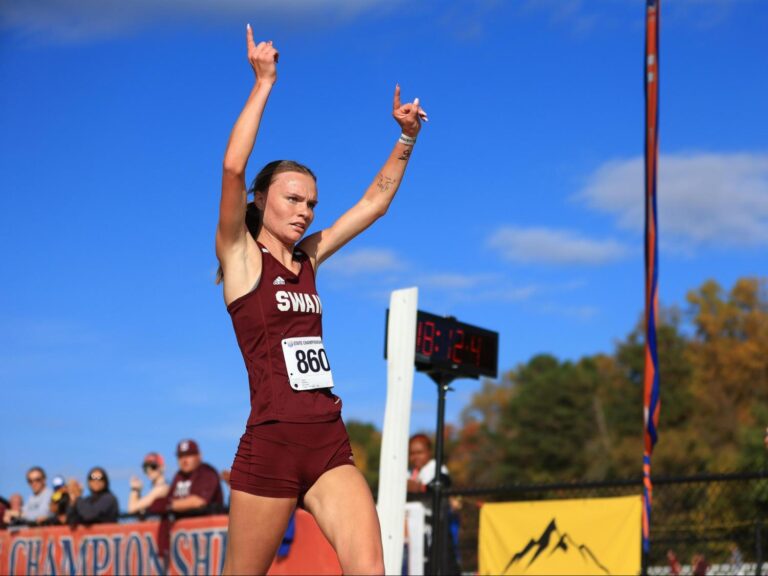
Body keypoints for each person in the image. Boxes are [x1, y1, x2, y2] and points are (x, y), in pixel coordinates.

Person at [216, 25, 425, 576]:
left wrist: (405, 140)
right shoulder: (240, 256)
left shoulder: (310, 257)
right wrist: (264, 82)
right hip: (272, 444)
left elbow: (372, 206)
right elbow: (234, 168)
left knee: (371, 568)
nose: (305, 211)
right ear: (261, 202)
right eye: (292, 198)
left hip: (327, 441)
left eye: (311, 202)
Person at [407, 434, 460, 574]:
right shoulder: (410, 472)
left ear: (429, 452)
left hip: (436, 530)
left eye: (419, 452)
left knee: (441, 567)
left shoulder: (436, 468)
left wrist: (419, 488)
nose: (415, 457)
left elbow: (441, 483)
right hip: (414, 532)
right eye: (411, 453)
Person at [166, 439, 223, 517]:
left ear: (199, 456)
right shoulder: (178, 475)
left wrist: (168, 505)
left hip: (210, 526)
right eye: (181, 456)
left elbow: (198, 502)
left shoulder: (207, 472)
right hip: (184, 526)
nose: (184, 460)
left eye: (189, 455)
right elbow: (169, 498)